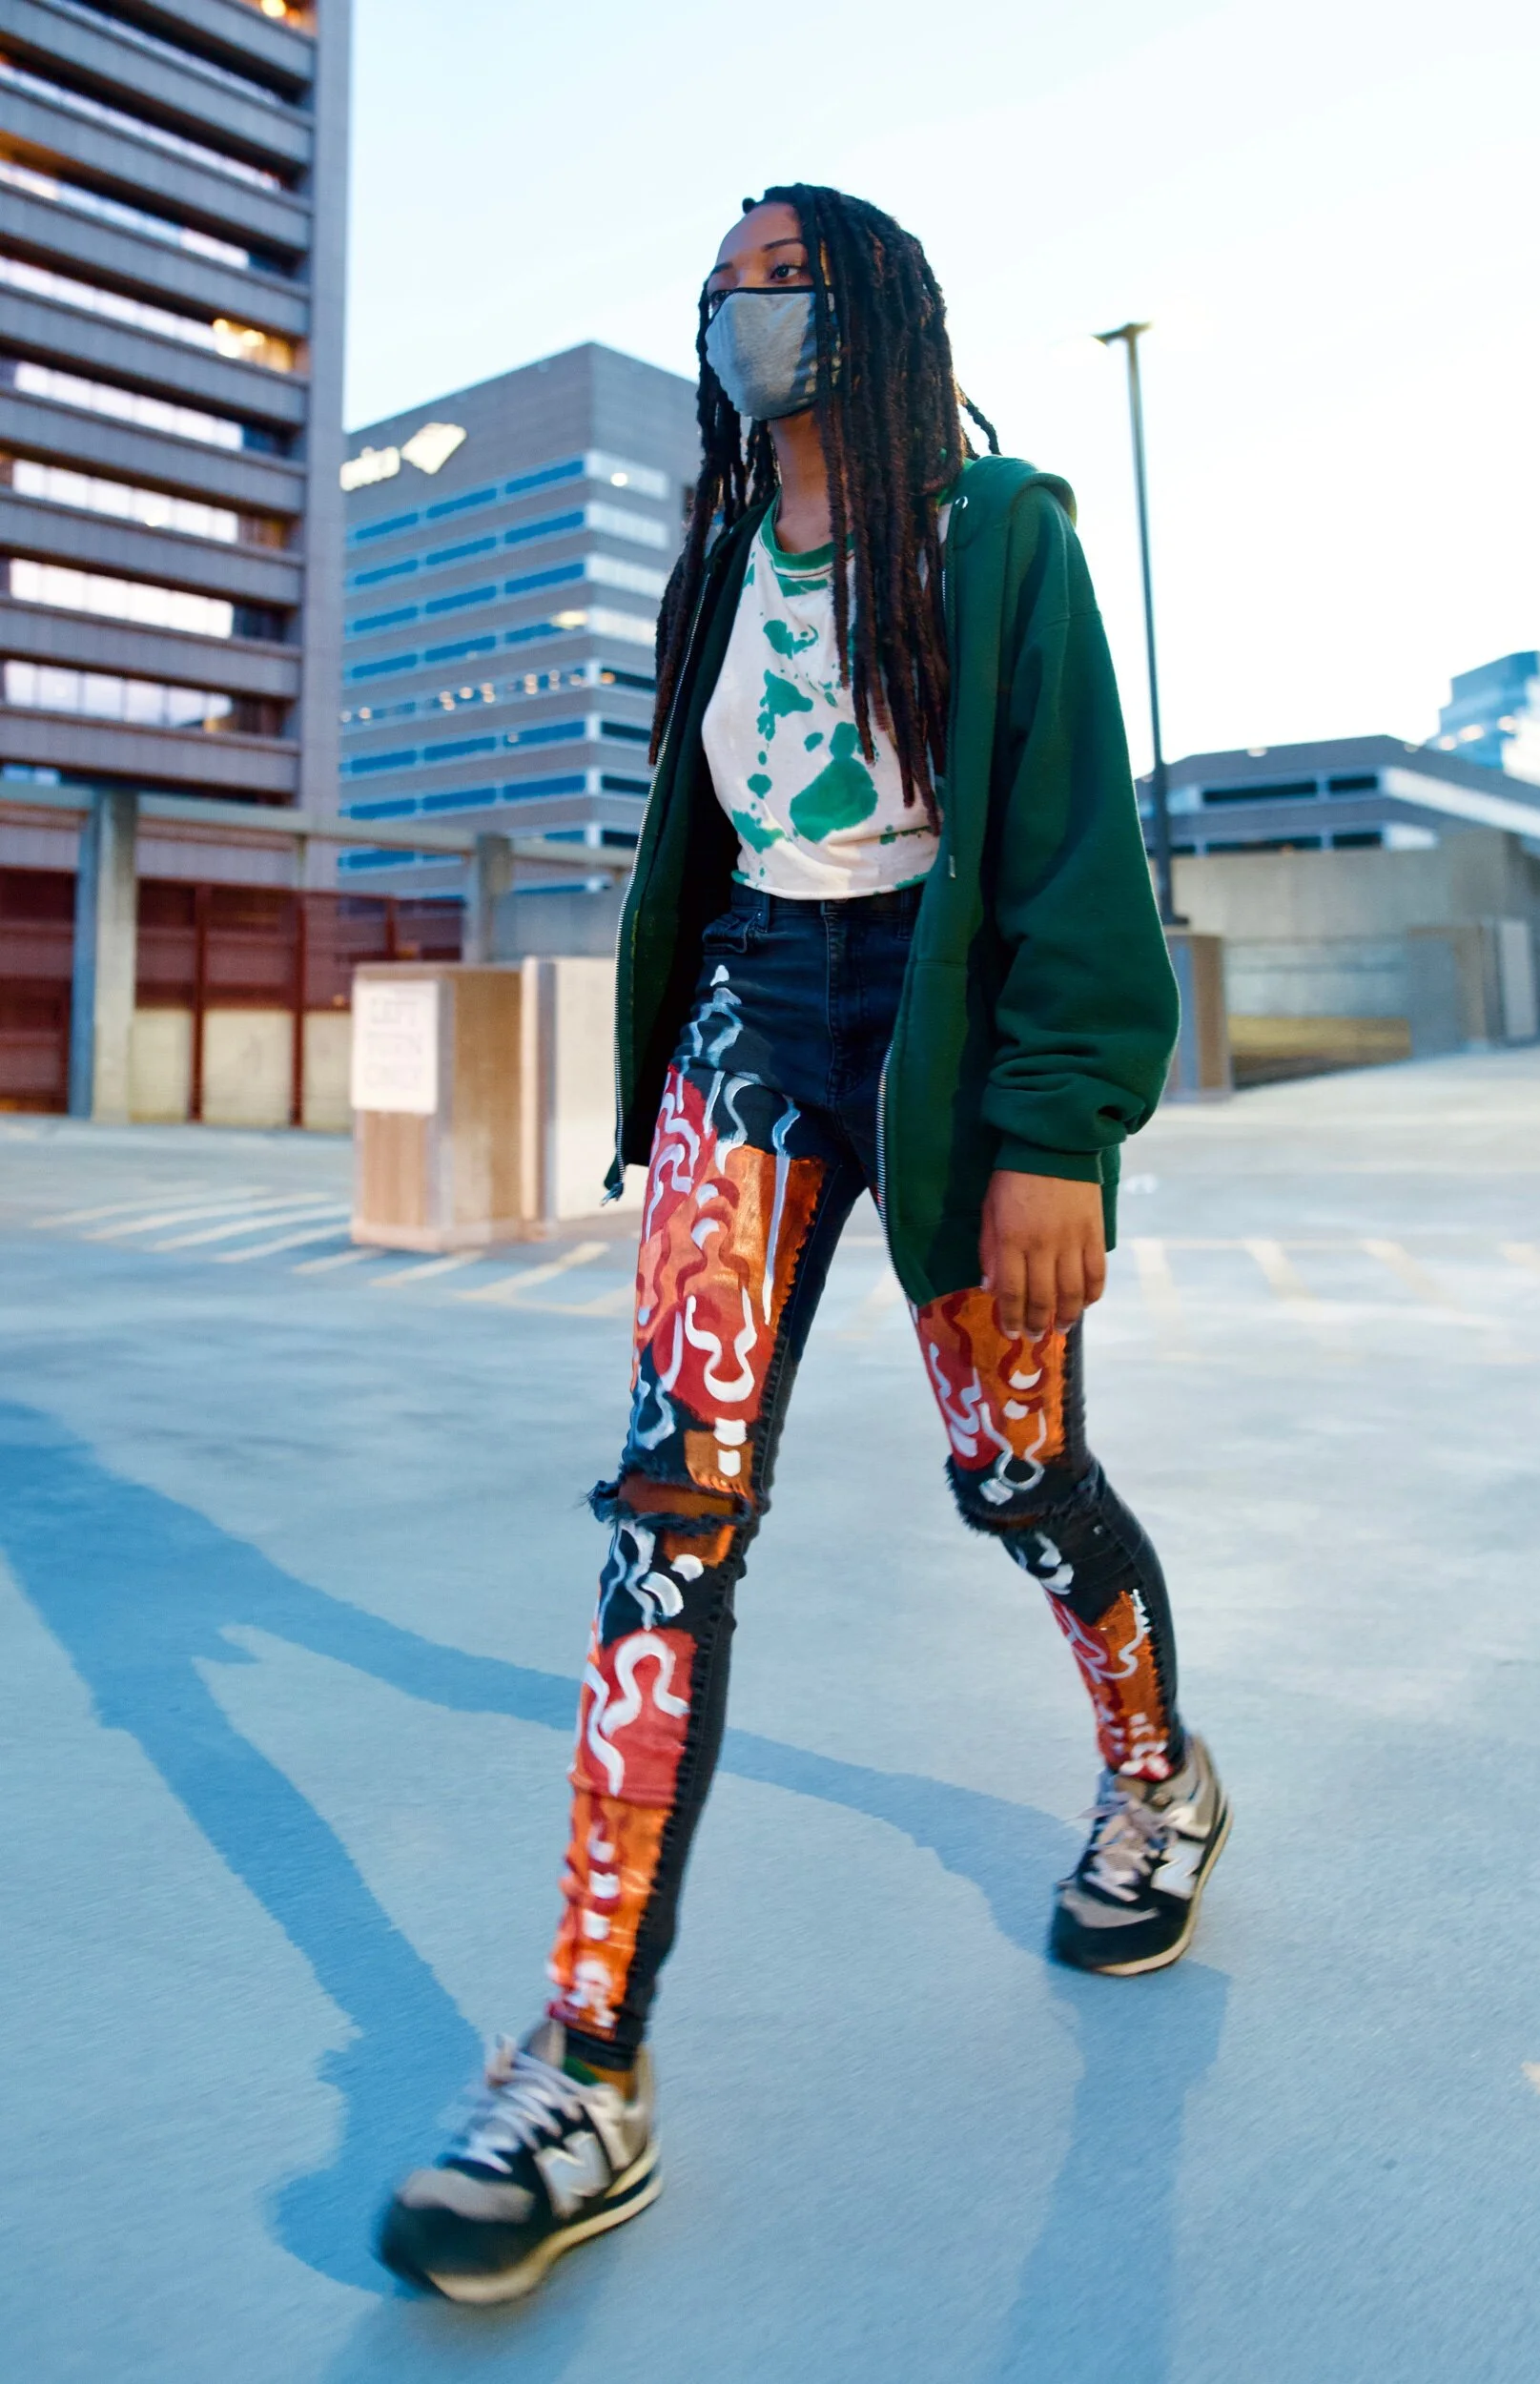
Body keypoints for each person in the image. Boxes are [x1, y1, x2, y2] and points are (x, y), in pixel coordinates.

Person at [378, 182, 1228, 2305]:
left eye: (782, 272)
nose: (744, 302)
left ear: (869, 303)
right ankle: (584, 2060)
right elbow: (709, 834)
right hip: (758, 1019)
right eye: (725, 277)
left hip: (936, 1021)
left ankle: (1155, 1772)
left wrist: (1056, 1135)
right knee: (668, 1511)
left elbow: (1063, 839)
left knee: (1015, 1470)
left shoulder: (1003, 530)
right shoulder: (718, 558)